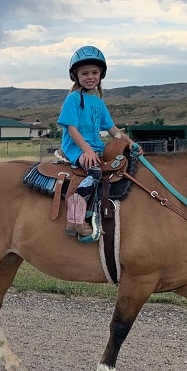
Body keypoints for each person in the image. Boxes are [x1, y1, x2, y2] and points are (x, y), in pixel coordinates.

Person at [56, 46, 124, 237]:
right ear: (76, 76)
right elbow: (72, 128)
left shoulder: (99, 103)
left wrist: (130, 143)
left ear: (101, 74)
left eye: (94, 72)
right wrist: (86, 150)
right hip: (77, 148)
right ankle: (75, 217)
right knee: (94, 170)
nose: (90, 77)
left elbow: (112, 129)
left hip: (96, 147)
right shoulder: (73, 99)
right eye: (84, 73)